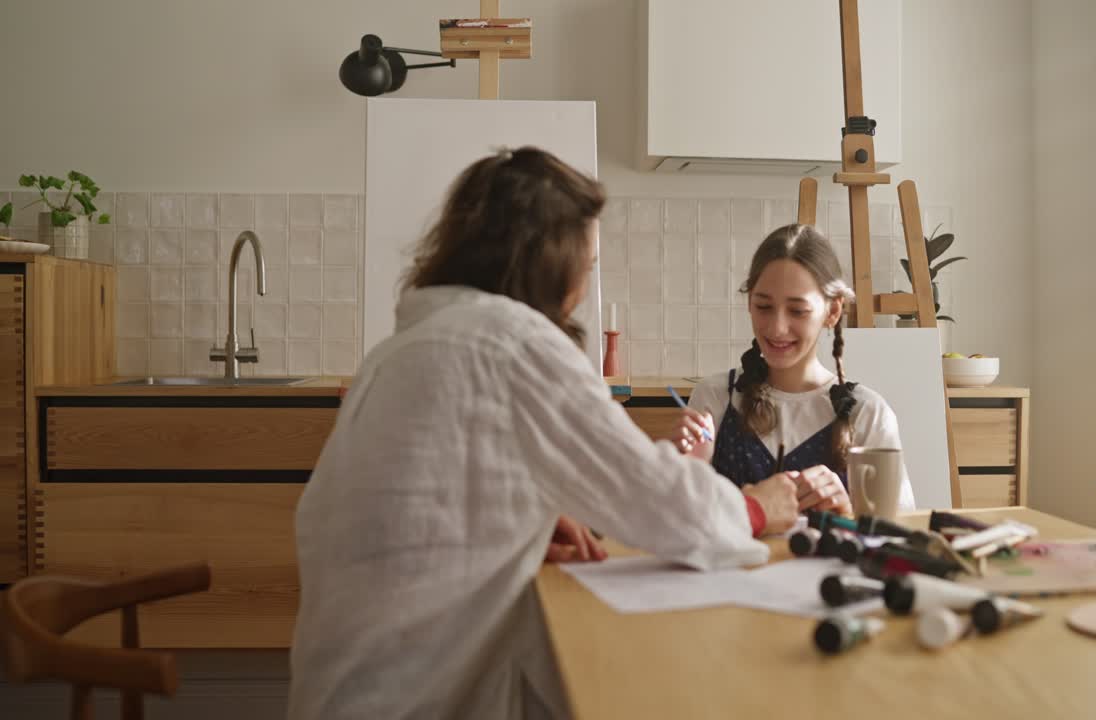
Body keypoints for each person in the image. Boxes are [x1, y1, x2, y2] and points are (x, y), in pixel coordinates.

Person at [287, 147, 799, 720]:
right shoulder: (514, 345)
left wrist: (515, 515)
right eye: (590, 260)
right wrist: (753, 508)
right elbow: (662, 501)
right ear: (555, 261)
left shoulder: (403, 347)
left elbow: (427, 496)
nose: (586, 280)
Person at [668, 223, 916, 513]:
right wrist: (683, 473)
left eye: (797, 310)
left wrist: (848, 510)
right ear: (749, 302)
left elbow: (898, 535)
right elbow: (682, 525)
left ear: (833, 311)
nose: (777, 327)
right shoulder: (714, 399)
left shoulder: (869, 413)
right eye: (764, 307)